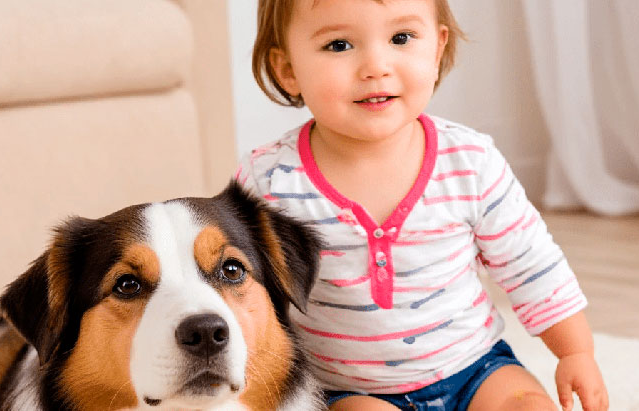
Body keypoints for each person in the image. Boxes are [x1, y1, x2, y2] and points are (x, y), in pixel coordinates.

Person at [236, 0, 608, 410]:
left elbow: (534, 267)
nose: (375, 67)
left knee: (527, 405)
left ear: (436, 49)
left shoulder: (470, 162)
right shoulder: (267, 180)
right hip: (350, 387)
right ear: (288, 69)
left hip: (475, 368)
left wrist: (576, 353)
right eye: (339, 45)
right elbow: (238, 289)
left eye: (400, 38)